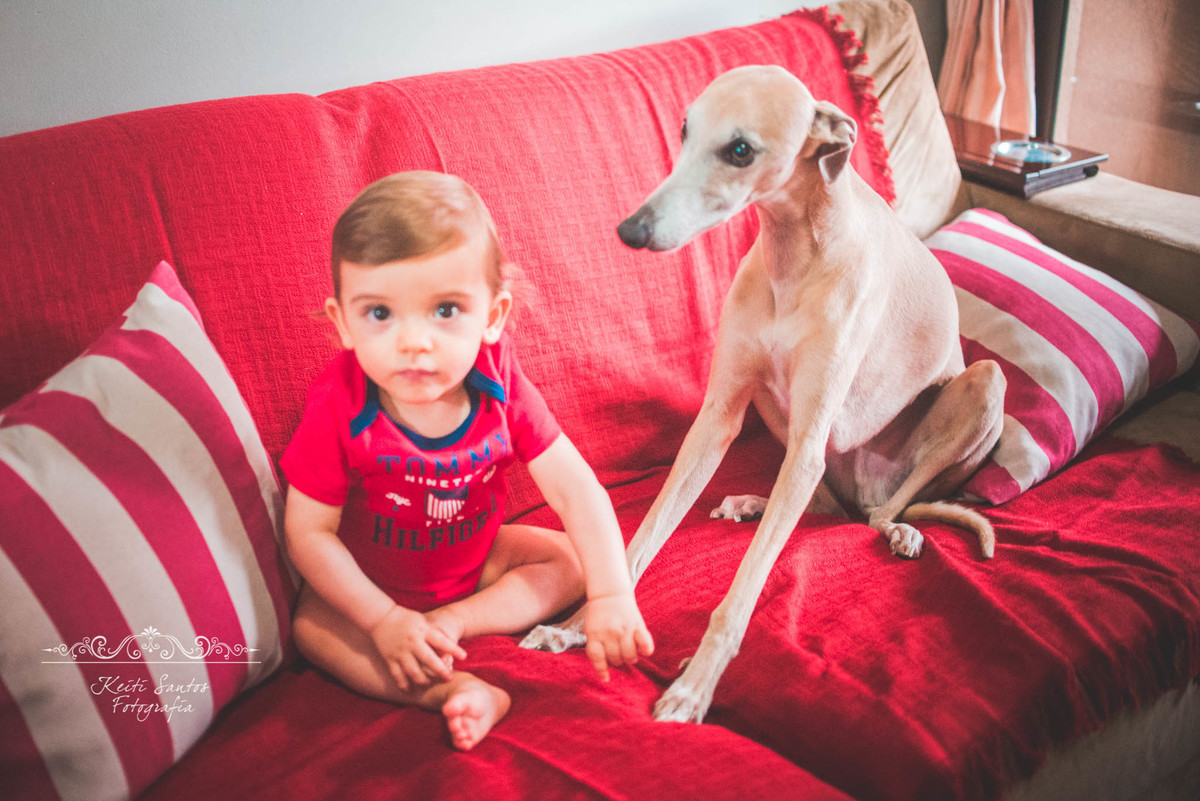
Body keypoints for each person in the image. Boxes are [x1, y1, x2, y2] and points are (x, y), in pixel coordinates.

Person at [281, 171, 653, 750]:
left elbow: (575, 489)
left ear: (493, 316)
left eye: (445, 309)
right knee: (311, 627)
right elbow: (308, 534)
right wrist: (381, 618)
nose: (414, 341)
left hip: (476, 566)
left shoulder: (499, 383)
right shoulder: (340, 407)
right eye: (379, 314)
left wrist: (611, 595)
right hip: (371, 585)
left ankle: (451, 624)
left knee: (569, 560)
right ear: (342, 324)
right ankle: (453, 690)